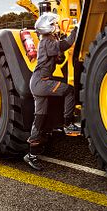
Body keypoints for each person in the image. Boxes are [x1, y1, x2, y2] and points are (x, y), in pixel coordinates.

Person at [23, 12, 80, 170]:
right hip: (41, 82)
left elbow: (59, 57)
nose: (56, 26)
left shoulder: (48, 40)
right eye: (54, 24)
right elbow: (64, 46)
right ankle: (68, 123)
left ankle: (31, 155)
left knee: (39, 120)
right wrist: (76, 29)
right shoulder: (47, 41)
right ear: (48, 27)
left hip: (38, 82)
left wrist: (60, 51)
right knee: (69, 90)